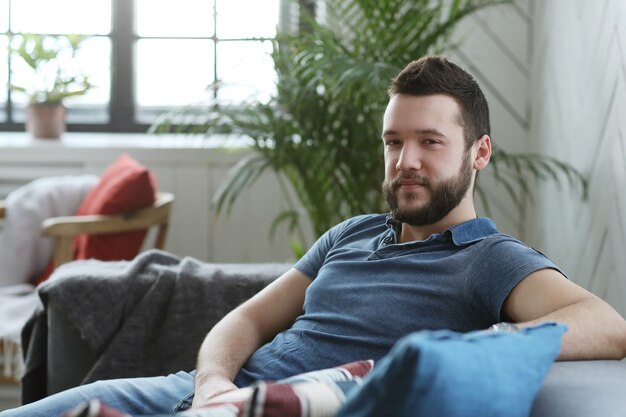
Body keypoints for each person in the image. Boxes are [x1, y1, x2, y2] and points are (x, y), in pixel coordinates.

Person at [2, 55, 625, 417]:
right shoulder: (352, 234)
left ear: (479, 152)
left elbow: (607, 325)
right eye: (394, 142)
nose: (405, 160)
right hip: (198, 394)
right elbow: (243, 321)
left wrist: (482, 342)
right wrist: (213, 381)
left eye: (430, 143)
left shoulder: (489, 259)